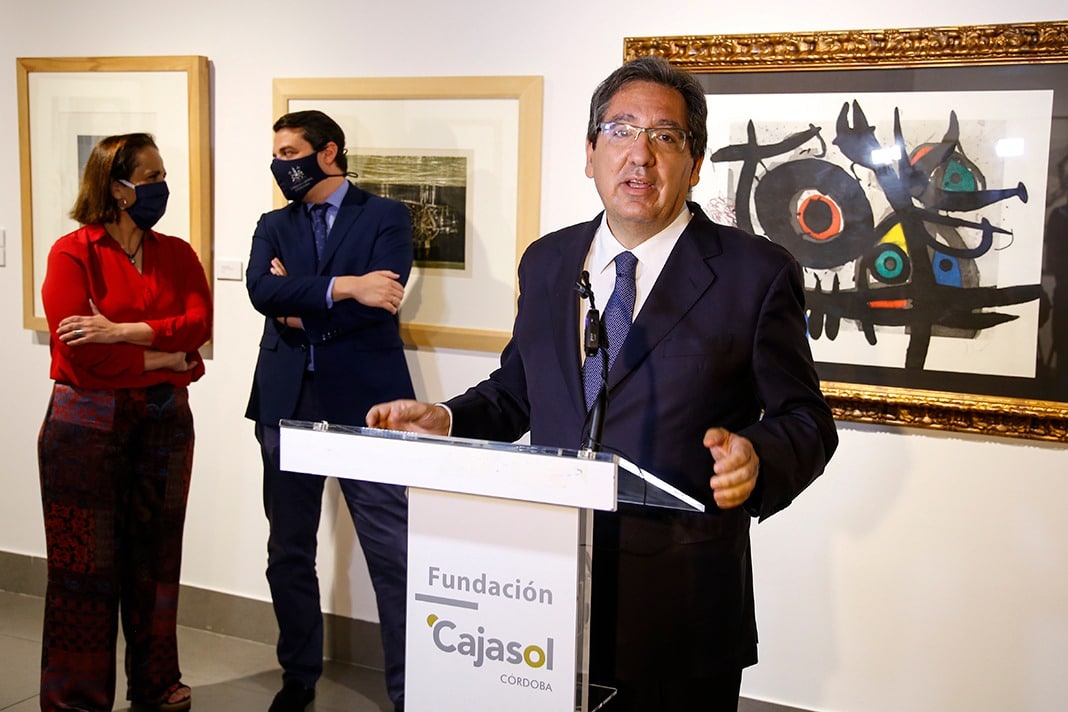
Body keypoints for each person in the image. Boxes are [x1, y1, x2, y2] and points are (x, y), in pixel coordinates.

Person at [366, 57, 838, 711]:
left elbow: (806, 418)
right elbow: (521, 390)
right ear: (589, 153)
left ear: (695, 162)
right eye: (620, 131)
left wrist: (758, 457)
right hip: (544, 589)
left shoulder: (753, 273)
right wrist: (444, 419)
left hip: (681, 604)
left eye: (664, 136)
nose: (639, 156)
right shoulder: (550, 260)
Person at [245, 110, 413, 712]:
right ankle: (298, 677)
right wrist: (346, 286)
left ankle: (407, 691)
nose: (279, 163)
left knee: (392, 553)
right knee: (288, 548)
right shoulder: (273, 223)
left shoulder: (386, 215)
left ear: (328, 152)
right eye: (277, 151)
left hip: (370, 404)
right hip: (285, 401)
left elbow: (384, 298)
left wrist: (300, 305)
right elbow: (261, 292)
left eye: (290, 151)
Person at [38, 132, 212, 712]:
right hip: (85, 423)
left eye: (163, 176)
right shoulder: (72, 252)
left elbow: (198, 327)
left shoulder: (177, 253)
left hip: (164, 421)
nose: (162, 187)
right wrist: (163, 357)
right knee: (82, 569)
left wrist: (121, 331)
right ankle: (76, 700)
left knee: (158, 561)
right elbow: (80, 351)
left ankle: (156, 684)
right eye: (152, 176)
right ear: (116, 187)